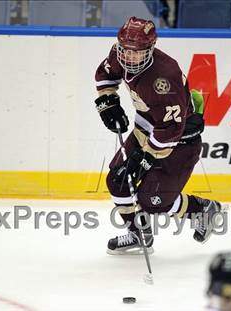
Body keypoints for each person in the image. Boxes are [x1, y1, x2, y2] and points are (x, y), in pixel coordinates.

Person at [94, 16, 221, 255]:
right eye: (125, 50)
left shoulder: (164, 78)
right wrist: (107, 101)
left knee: (153, 200)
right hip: (147, 128)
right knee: (117, 181)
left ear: (150, 49)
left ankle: (201, 209)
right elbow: (105, 76)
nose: (129, 57)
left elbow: (170, 131)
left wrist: (142, 160)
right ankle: (138, 234)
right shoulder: (119, 53)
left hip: (180, 140)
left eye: (137, 52)